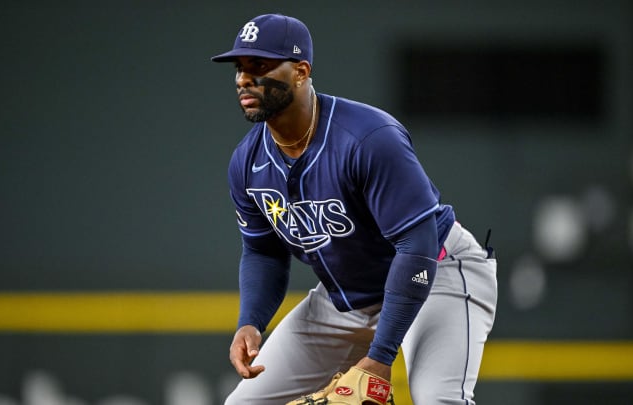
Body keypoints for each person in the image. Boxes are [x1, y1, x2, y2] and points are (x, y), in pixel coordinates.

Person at [211, 13, 498, 405]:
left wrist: (379, 359)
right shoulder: (248, 163)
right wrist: (251, 321)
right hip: (345, 299)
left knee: (438, 399)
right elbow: (263, 250)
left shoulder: (367, 138)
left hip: (437, 274)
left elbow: (417, 243)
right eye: (240, 68)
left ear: (300, 71)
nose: (244, 78)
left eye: (259, 66)